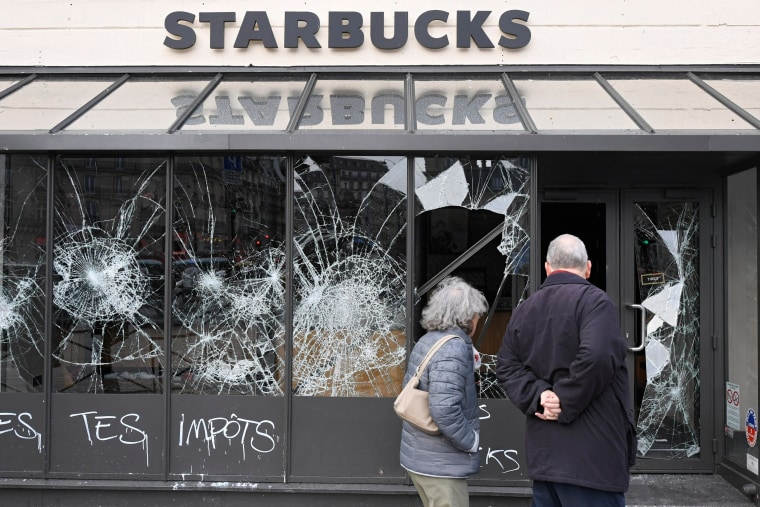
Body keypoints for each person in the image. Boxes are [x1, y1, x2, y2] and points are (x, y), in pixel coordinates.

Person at [496, 234, 635, 507]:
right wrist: (564, 399)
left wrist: (540, 396)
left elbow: (506, 366)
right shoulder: (596, 302)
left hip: (545, 460)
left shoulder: (524, 310)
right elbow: (597, 355)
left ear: (547, 268)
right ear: (588, 268)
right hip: (592, 462)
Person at [399, 276, 487, 507]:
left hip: (422, 458)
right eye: (477, 312)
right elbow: (444, 409)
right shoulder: (453, 347)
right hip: (441, 465)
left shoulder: (429, 340)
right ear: (468, 316)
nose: (478, 318)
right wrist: (470, 441)